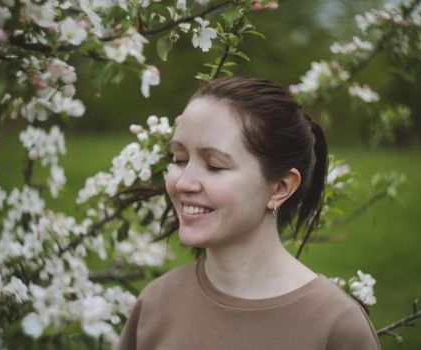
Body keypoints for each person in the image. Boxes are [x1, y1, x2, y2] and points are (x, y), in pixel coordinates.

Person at [116, 77, 381, 350]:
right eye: (180, 159)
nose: (184, 182)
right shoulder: (157, 303)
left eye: (215, 165)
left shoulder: (336, 327)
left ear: (280, 187)